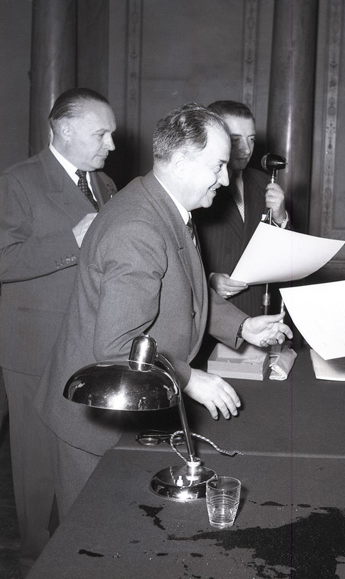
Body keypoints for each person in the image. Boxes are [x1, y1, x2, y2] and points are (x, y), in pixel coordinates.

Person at [34, 102, 292, 520]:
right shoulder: (138, 227)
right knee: (91, 536)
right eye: (218, 166)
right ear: (182, 163)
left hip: (123, 410)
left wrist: (243, 325)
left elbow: (184, 289)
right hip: (93, 424)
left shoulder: (161, 204)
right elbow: (116, 347)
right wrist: (189, 379)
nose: (226, 179)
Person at [0, 88, 117, 575]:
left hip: (89, 346)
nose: (111, 144)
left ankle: (76, 556)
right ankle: (35, 559)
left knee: (81, 460)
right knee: (36, 468)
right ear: (65, 129)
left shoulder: (106, 184)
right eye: (101, 133)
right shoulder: (18, 181)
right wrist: (71, 240)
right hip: (35, 348)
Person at [195, 100, 289, 317]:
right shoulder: (197, 187)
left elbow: (284, 259)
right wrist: (209, 281)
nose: (246, 150)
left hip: (258, 309)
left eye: (251, 139)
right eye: (236, 140)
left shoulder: (265, 183)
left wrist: (281, 218)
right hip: (215, 314)